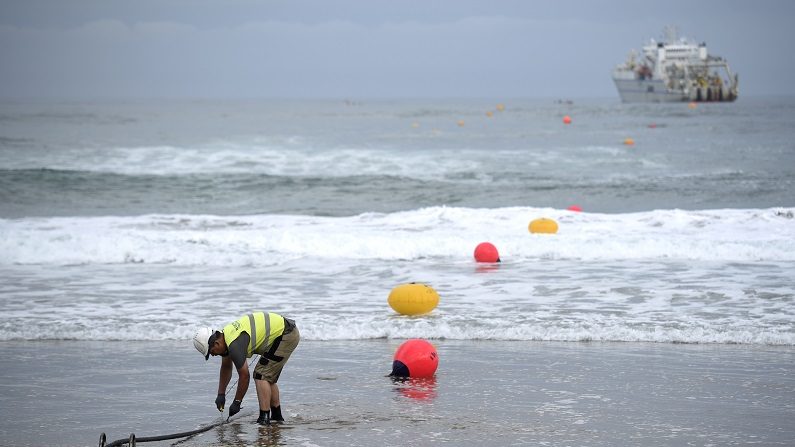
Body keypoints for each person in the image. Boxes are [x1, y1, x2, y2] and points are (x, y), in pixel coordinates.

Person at [192, 312, 299, 425]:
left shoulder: (233, 344)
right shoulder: (226, 337)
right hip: (284, 332)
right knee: (267, 376)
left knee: (260, 375)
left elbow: (244, 376)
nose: (213, 355)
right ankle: (277, 417)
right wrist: (221, 394)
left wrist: (237, 402)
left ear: (216, 343)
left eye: (211, 352)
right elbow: (226, 367)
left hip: (286, 334)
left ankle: (264, 419)